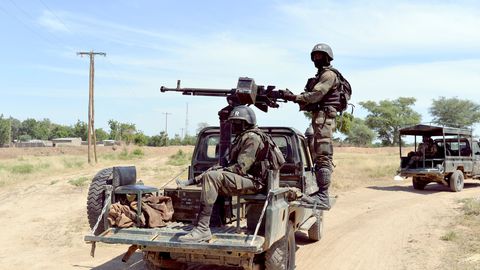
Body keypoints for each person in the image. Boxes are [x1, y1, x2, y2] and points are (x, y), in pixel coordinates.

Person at [176, 105, 269, 242]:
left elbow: (241, 168)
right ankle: (192, 183)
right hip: (245, 178)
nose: (233, 125)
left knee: (213, 176)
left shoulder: (252, 138)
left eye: (236, 122)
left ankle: (202, 228)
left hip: (254, 182)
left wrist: (221, 170)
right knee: (214, 171)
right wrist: (219, 169)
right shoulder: (243, 137)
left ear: (245, 123)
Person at [283, 43, 341, 209]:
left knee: (323, 156)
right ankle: (319, 193)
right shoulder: (322, 74)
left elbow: (316, 94)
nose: (317, 59)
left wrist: (295, 97)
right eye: (315, 56)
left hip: (324, 118)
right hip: (319, 117)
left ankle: (323, 196)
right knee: (316, 155)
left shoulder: (328, 75)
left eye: (320, 56)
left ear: (327, 57)